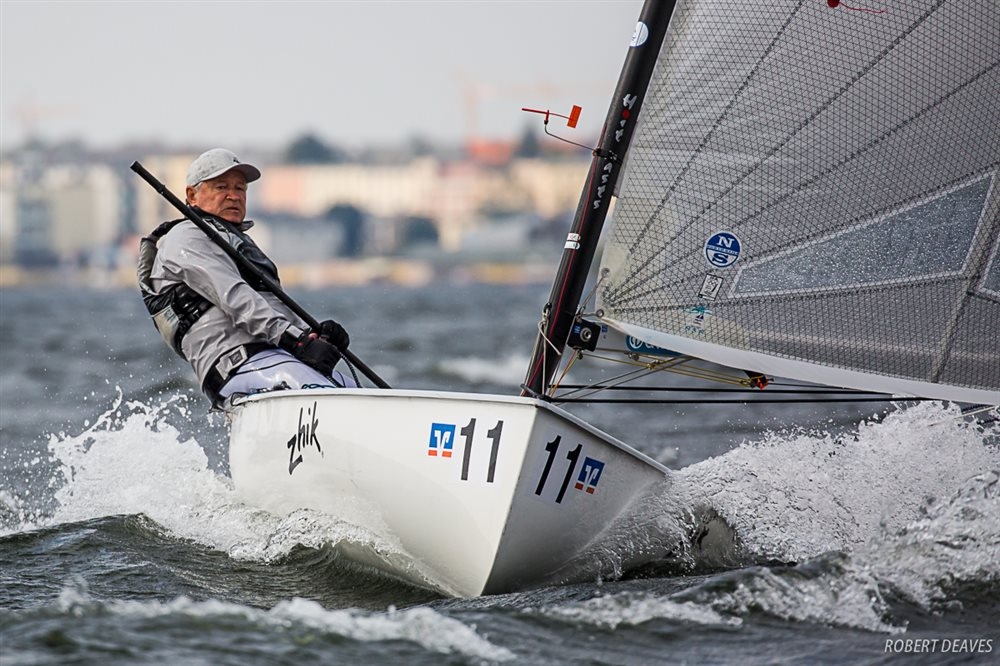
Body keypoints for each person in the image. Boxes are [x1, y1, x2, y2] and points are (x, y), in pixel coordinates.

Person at [136, 148, 355, 408]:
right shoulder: (185, 238)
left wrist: (313, 336)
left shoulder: (237, 241)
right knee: (328, 396)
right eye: (221, 187)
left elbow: (272, 307)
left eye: (240, 188)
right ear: (192, 195)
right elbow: (235, 297)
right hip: (234, 364)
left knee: (356, 392)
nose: (234, 195)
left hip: (273, 356)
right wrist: (295, 341)